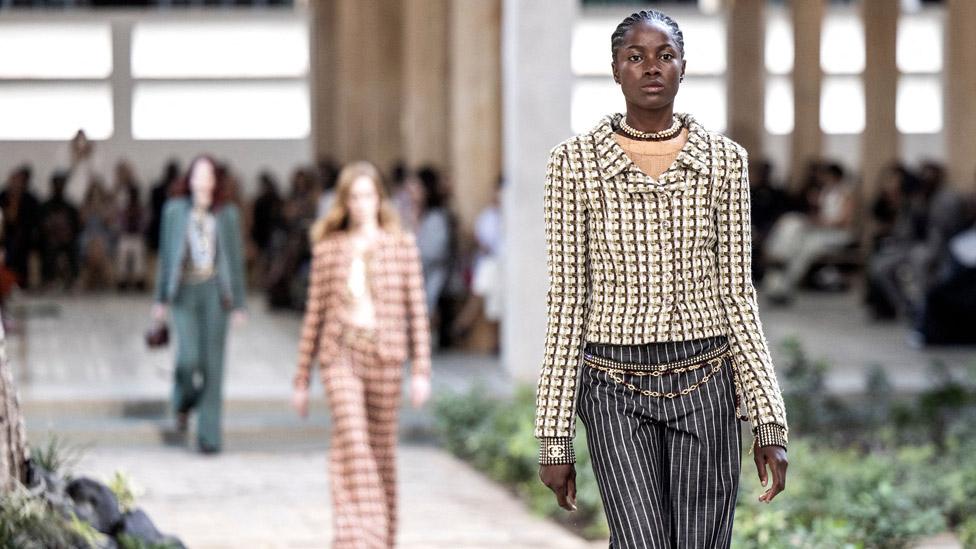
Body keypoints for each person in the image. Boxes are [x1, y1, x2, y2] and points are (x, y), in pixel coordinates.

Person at [534, 11, 789, 548]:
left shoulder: (724, 162)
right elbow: (566, 302)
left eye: (664, 55)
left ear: (683, 68)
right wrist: (554, 440)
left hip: (706, 384)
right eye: (636, 56)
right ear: (615, 69)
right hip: (612, 387)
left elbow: (738, 295)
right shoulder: (574, 164)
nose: (651, 67)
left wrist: (768, 422)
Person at [292, 161, 431, 549]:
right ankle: (360, 539)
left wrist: (421, 370)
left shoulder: (401, 246)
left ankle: (379, 538)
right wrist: (301, 379)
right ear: (344, 202)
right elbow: (314, 316)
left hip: (385, 357)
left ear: (379, 199)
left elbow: (417, 312)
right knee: (353, 443)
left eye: (368, 195)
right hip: (341, 355)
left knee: (381, 453)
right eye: (354, 196)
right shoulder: (329, 249)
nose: (361, 203)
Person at [152, 156, 247, 454]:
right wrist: (160, 300)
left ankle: (209, 436)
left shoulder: (227, 214)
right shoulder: (174, 211)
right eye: (198, 175)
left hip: (215, 293)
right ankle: (182, 399)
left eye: (209, 176)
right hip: (184, 292)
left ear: (216, 181)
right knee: (188, 359)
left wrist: (239, 304)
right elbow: (166, 257)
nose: (203, 182)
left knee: (212, 365)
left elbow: (234, 259)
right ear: (189, 180)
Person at [39, 171, 82, 291]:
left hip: (67, 240)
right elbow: (41, 226)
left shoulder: (70, 206)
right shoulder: (45, 206)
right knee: (49, 248)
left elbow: (76, 227)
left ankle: (74, 279)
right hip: (50, 240)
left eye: (61, 184)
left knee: (74, 248)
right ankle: (49, 279)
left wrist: (68, 236)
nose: (59, 187)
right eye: (57, 184)